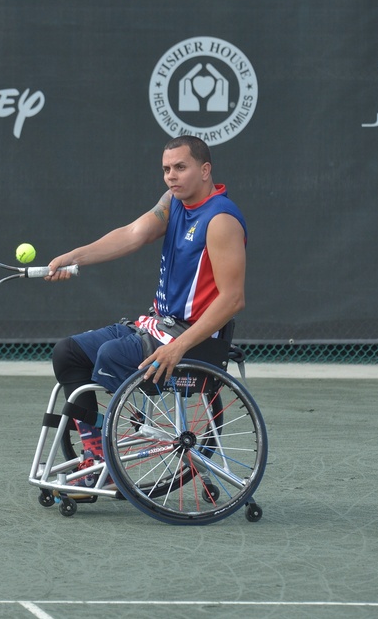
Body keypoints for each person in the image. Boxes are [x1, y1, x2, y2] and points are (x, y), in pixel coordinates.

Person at [45, 135, 247, 464]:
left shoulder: (221, 220)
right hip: (156, 325)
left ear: (205, 169)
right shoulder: (172, 202)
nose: (171, 175)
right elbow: (132, 234)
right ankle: (95, 455)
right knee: (68, 353)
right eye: (167, 169)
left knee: (112, 355)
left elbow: (233, 300)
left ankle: (111, 452)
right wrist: (73, 257)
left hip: (193, 337)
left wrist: (178, 347)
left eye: (181, 167)